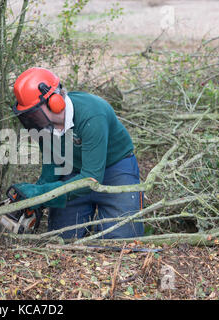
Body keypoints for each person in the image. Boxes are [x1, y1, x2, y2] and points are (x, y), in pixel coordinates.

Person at [10, 67, 144, 239]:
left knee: (122, 240)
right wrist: (35, 197)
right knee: (62, 238)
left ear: (54, 101)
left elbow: (91, 179)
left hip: (114, 169)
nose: (32, 121)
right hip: (73, 171)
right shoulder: (44, 127)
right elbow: (52, 165)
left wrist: (43, 194)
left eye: (34, 113)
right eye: (28, 115)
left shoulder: (91, 115)